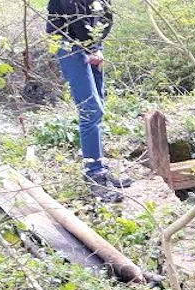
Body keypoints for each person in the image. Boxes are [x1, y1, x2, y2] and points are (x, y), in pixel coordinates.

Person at [46, 0, 131, 202]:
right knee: (90, 109)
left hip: (91, 42)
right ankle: (94, 174)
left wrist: (97, 44)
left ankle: (100, 166)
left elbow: (107, 14)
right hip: (68, 42)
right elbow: (74, 14)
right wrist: (92, 47)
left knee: (98, 106)